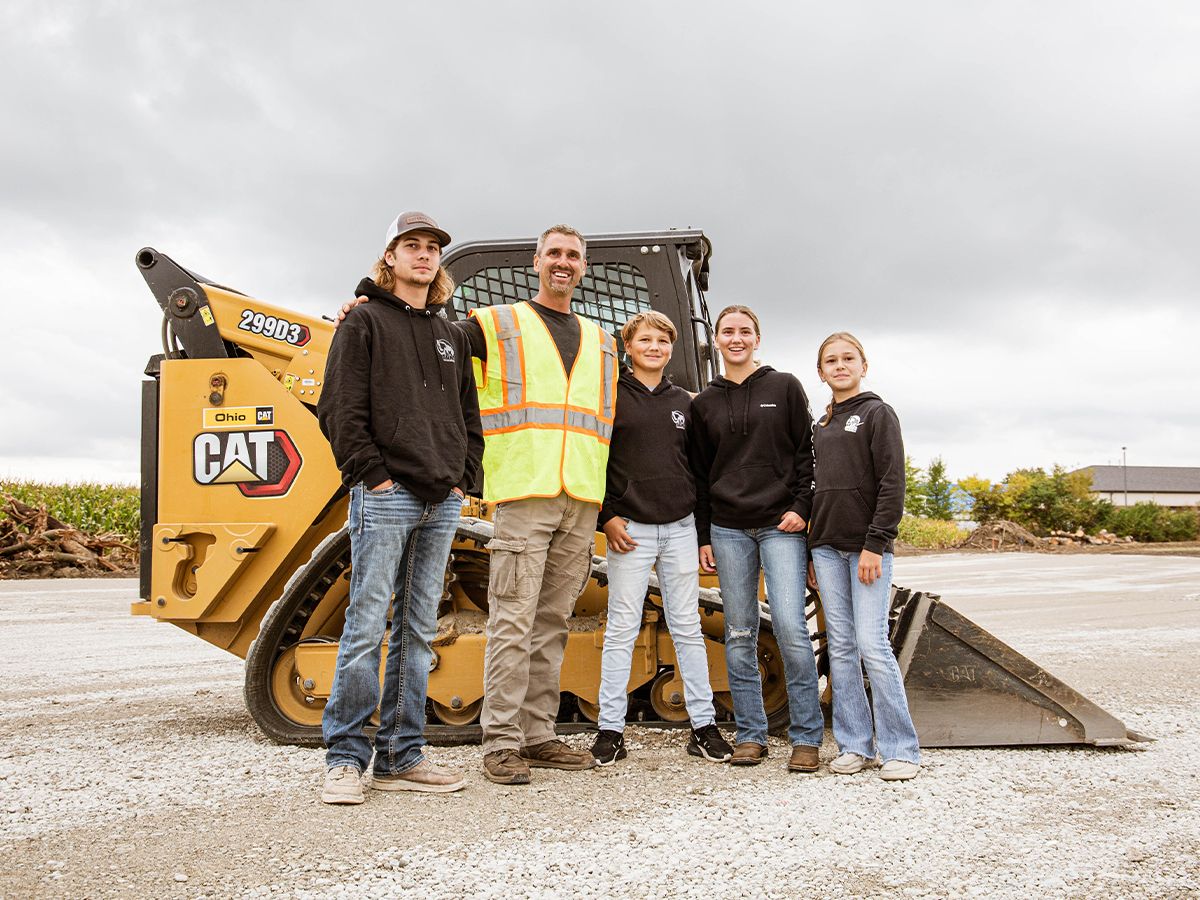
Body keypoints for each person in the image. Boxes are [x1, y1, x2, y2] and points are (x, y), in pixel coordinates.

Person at [316, 211, 483, 804]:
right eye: (410, 246)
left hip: (441, 500)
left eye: (432, 247)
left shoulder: (451, 331)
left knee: (415, 631)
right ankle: (344, 758)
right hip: (387, 497)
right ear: (389, 256)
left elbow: (469, 413)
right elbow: (338, 408)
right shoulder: (363, 322)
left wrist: (466, 477)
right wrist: (375, 476)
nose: (423, 255)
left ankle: (400, 755)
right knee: (364, 628)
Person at [590, 311, 734, 766]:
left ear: (671, 348)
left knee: (688, 627)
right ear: (627, 347)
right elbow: (592, 462)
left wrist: (702, 532)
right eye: (645, 340)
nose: (655, 347)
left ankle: (703, 726)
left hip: (679, 529)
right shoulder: (610, 399)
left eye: (663, 341)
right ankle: (610, 730)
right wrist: (606, 517)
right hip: (629, 531)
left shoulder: (687, 404)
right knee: (621, 629)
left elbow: (701, 472)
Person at [688, 305, 824, 772]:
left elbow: (807, 455)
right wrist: (704, 534)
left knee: (788, 625)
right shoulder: (704, 402)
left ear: (757, 338)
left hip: (780, 525)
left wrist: (800, 509)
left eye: (745, 331)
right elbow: (701, 477)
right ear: (717, 340)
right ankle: (751, 734)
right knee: (740, 630)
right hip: (727, 528)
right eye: (728, 332)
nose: (736, 338)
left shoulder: (783, 386)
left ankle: (806, 737)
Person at [806, 332, 920, 781]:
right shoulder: (822, 424)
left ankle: (901, 748)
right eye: (830, 361)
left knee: (872, 644)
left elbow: (893, 485)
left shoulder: (877, 413)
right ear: (821, 372)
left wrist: (875, 543)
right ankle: (856, 745)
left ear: (863, 365)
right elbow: (815, 490)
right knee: (843, 647)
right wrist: (812, 552)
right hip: (826, 548)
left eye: (847, 358)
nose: (839, 366)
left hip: (866, 549)